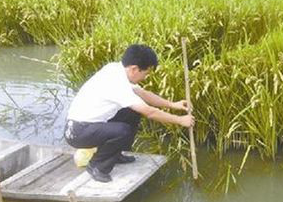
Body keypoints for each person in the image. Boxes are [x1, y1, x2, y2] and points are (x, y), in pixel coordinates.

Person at [64, 44, 195, 182]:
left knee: (131, 113)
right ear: (134, 69)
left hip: (89, 125)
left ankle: (116, 154)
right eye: (146, 73)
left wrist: (172, 104)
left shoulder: (117, 69)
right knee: (123, 130)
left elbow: (144, 94)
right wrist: (180, 120)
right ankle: (97, 166)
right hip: (76, 132)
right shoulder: (117, 83)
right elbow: (149, 112)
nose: (145, 77)